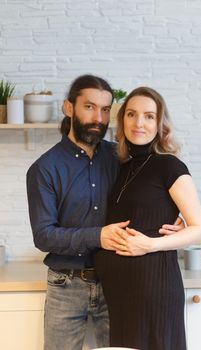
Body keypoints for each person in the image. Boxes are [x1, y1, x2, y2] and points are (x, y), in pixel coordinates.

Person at [26, 75, 185, 350]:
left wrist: (175, 218)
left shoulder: (121, 157)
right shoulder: (44, 169)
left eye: (104, 109)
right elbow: (43, 235)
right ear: (69, 108)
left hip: (118, 285)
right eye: (89, 107)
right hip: (66, 285)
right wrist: (98, 236)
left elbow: (153, 191)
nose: (98, 117)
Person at [95, 86, 201, 350]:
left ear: (160, 124)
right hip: (120, 294)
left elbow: (200, 228)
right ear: (122, 120)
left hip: (153, 290)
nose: (139, 123)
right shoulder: (121, 167)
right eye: (132, 114)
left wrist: (150, 244)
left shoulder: (170, 166)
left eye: (148, 116)